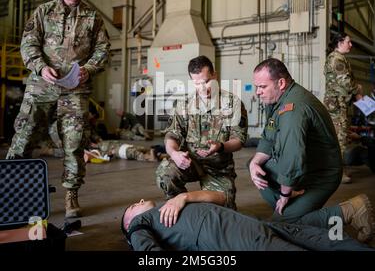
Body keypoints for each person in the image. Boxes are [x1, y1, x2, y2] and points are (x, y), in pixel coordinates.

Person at [5, 0, 111, 219]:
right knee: (24, 137)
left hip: (75, 89)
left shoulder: (93, 18)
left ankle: (71, 195)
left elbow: (103, 50)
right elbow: (28, 44)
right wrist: (41, 68)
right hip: (42, 86)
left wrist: (90, 68)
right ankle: (8, 190)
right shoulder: (43, 12)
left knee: (74, 144)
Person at [248, 58, 342, 223]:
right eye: (257, 87)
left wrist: (285, 193)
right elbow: (268, 136)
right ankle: (290, 209)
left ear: (281, 83)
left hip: (321, 175)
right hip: (307, 168)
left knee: (277, 226)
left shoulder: (293, 108)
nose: (257, 92)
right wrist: (254, 163)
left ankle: (349, 212)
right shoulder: (279, 100)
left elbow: (292, 156)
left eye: (262, 87)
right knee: (257, 165)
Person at [121, 191, 375, 251]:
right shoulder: (139, 224)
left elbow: (220, 196)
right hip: (225, 233)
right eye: (132, 206)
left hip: (241, 221)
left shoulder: (171, 205)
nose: (139, 202)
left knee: (312, 236)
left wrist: (184, 196)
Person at [155, 56, 248, 210]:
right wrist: (174, 153)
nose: (203, 88)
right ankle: (182, 209)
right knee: (165, 172)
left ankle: (200, 204)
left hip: (219, 168)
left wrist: (221, 146)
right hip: (191, 163)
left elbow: (238, 140)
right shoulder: (185, 104)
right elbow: (172, 134)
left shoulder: (233, 103)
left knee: (223, 210)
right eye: (197, 83)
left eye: (206, 82)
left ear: (215, 76)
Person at [324, 32, 363, 184]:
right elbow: (345, 82)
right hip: (336, 105)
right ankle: (337, 174)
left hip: (338, 103)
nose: (351, 44)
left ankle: (336, 170)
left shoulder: (338, 58)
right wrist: (357, 89)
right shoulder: (337, 59)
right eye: (348, 41)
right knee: (339, 139)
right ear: (340, 43)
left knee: (341, 137)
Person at [84, 140, 160, 163]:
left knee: (144, 157)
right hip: (127, 146)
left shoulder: (100, 148)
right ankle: (159, 154)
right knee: (145, 150)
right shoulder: (105, 142)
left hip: (123, 151)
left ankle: (153, 154)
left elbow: (103, 156)